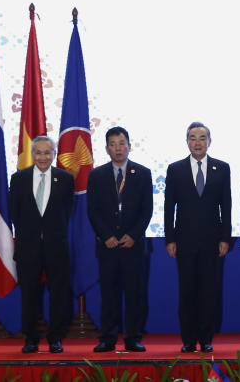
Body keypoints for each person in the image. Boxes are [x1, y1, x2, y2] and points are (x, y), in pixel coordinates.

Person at [164, 122, 231, 353]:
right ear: (187, 141)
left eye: (202, 137)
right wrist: (169, 239)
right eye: (193, 137)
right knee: (187, 290)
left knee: (208, 291)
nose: (198, 142)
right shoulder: (175, 169)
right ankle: (189, 340)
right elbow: (168, 207)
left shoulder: (222, 168)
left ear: (209, 141)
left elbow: (226, 206)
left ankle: (206, 337)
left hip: (212, 241)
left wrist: (225, 238)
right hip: (184, 240)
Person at [87, 126, 153, 352]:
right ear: (106, 148)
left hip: (133, 246)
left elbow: (147, 210)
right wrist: (106, 236)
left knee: (135, 295)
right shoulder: (96, 175)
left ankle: (134, 337)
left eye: (122, 143)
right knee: (109, 295)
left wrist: (133, 235)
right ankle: (108, 338)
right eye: (113, 144)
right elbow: (92, 210)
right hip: (107, 247)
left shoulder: (143, 173)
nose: (118, 148)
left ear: (129, 146)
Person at [9, 136, 75, 354]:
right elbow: (14, 214)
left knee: (58, 295)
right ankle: (30, 338)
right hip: (28, 248)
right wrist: (30, 235)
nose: (43, 157)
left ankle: (55, 338)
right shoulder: (18, 179)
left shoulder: (65, 179)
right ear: (32, 154)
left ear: (54, 154)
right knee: (29, 295)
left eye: (48, 152)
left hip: (57, 246)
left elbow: (68, 211)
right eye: (38, 152)